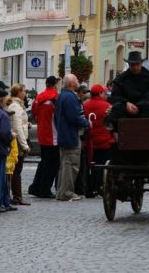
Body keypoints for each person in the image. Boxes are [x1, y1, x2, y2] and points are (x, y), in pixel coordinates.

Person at [55, 74, 90, 202]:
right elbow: (74, 118)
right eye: (76, 79)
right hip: (71, 136)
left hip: (64, 135)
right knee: (71, 166)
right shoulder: (70, 97)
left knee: (64, 166)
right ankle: (67, 193)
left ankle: (61, 191)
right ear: (71, 84)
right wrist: (86, 123)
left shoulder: (61, 96)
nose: (77, 81)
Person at [105, 51, 149, 130]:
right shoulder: (121, 78)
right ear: (129, 65)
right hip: (126, 107)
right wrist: (126, 103)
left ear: (141, 64)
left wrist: (138, 106)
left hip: (143, 107)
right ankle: (118, 130)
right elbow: (115, 96)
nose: (135, 67)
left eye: (137, 64)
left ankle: (147, 129)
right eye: (132, 65)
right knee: (117, 107)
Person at [28, 76, 60, 199]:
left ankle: (36, 187)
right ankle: (44, 189)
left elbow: (34, 114)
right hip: (53, 135)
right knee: (51, 165)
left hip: (42, 134)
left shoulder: (38, 98)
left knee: (44, 163)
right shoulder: (55, 98)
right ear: (55, 85)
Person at [83, 84, 113, 196]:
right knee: (103, 166)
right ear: (100, 93)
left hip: (89, 141)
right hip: (104, 142)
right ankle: (100, 186)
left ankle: (89, 187)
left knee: (89, 166)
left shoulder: (85, 105)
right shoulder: (107, 106)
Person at [7, 84, 31, 205]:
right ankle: (17, 196)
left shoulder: (17, 105)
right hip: (17, 141)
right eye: (24, 91)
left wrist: (27, 124)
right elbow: (17, 127)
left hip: (18, 139)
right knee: (16, 170)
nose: (25, 93)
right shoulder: (16, 106)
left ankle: (17, 196)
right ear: (19, 92)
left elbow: (20, 124)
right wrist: (24, 144)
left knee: (16, 170)